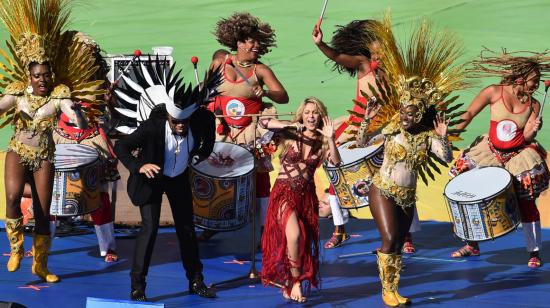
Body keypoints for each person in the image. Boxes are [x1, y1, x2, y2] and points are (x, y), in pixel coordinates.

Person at [363, 16, 466, 306]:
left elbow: (445, 159)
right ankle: (385, 291)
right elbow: (361, 143)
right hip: (382, 189)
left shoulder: (426, 138)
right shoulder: (391, 129)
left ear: (420, 116)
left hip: (407, 196)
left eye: (413, 115)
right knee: (389, 239)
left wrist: (443, 137)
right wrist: (367, 122)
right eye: (404, 113)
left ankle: (394, 289)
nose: (407, 118)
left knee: (398, 242)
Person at [0, 0, 102, 283]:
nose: (42, 80)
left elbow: (74, 116)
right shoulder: (18, 93)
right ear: (28, 76)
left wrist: (79, 114)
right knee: (11, 197)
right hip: (18, 150)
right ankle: (17, 249)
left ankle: (41, 265)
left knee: (44, 211)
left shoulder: (59, 95)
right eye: (37, 76)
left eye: (46, 75)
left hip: (44, 154)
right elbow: (1, 105)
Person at [114, 61, 222, 301]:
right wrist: (139, 166)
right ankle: (138, 285)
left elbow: (208, 145)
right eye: (176, 122)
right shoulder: (152, 127)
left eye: (184, 122)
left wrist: (196, 155)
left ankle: (196, 281)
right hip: (152, 179)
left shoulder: (202, 120)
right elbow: (121, 146)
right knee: (150, 228)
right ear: (169, 118)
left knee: (186, 229)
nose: (181, 126)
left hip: (179, 177)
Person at [312, 19, 421, 252]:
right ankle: (340, 229)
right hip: (359, 126)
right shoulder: (362, 64)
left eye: (382, 49)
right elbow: (338, 57)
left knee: (402, 177)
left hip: (389, 128)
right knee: (334, 170)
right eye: (375, 50)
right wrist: (321, 44)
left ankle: (407, 236)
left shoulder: (398, 72)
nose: (379, 54)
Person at [449, 49, 550, 268]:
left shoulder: (533, 105)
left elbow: (525, 137)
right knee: (469, 195)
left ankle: (534, 252)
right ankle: (471, 244)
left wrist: (533, 130)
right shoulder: (494, 92)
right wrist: (449, 133)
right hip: (489, 152)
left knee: (527, 202)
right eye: (535, 80)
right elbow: (468, 115)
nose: (537, 85)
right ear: (521, 79)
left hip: (518, 157)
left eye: (540, 81)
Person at [202, 12, 289, 241]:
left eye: (258, 42)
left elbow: (283, 96)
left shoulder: (260, 70)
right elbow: (203, 92)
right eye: (251, 41)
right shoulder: (219, 64)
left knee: (260, 180)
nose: (256, 45)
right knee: (218, 179)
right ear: (239, 43)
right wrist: (209, 103)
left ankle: (264, 230)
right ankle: (215, 223)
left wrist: (266, 92)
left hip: (251, 133)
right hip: (223, 133)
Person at [261, 97, 342, 303]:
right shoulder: (290, 133)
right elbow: (263, 122)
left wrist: (331, 138)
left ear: (320, 115)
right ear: (302, 115)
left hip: (305, 198)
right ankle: (296, 281)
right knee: (295, 235)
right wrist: (288, 124)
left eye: (314, 112)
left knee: (301, 242)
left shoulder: (323, 141)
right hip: (283, 194)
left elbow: (336, 161)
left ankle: (289, 282)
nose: (311, 116)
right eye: (307, 112)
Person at [51, 31, 120, 262]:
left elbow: (111, 113)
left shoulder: (99, 81)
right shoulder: (57, 78)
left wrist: (109, 101)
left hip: (91, 138)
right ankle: (43, 246)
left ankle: (107, 247)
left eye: (88, 52)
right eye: (79, 51)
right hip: (62, 136)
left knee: (98, 192)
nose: (84, 55)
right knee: (51, 191)